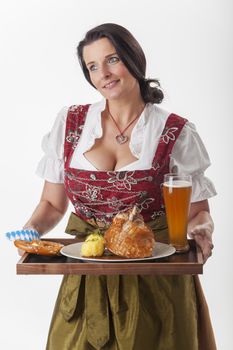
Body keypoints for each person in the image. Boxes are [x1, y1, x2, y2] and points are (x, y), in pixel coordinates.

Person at [23, 23, 217, 350]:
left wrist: (203, 230)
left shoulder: (175, 131)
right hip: (87, 278)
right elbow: (52, 205)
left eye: (112, 60)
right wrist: (29, 232)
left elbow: (197, 212)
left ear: (133, 59)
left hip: (157, 280)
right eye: (93, 66)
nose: (104, 73)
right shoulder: (70, 123)